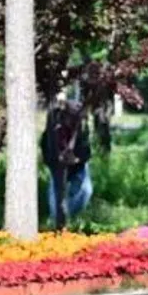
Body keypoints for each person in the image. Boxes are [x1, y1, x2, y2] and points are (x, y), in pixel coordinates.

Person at [43, 97, 93, 230]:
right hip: (58, 164)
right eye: (71, 117)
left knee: (86, 190)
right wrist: (57, 159)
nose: (73, 120)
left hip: (78, 164)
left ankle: (68, 215)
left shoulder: (82, 127)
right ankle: (57, 220)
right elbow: (46, 146)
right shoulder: (54, 125)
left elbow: (87, 150)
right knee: (55, 193)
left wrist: (77, 159)